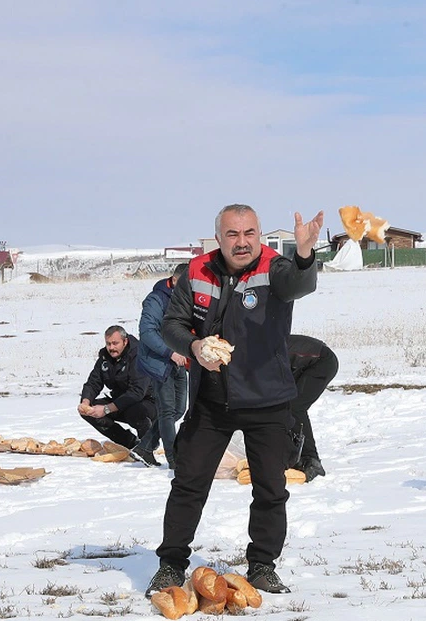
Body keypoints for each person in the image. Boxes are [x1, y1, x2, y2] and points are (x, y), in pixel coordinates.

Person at [146, 203, 324, 596]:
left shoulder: (275, 267)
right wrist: (194, 346)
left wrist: (306, 254)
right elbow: (172, 324)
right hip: (212, 400)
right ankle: (171, 565)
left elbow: (300, 285)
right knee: (189, 483)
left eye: (249, 234)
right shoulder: (197, 271)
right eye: (232, 234)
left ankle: (262, 565)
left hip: (268, 397)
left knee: (270, 489)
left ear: (258, 235)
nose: (241, 243)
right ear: (219, 237)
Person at [78, 326, 160, 466]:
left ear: (125, 341)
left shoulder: (139, 356)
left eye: (115, 343)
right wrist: (85, 402)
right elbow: (93, 382)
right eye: (108, 343)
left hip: (147, 402)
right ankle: (130, 443)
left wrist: (106, 409)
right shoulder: (105, 358)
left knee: (134, 411)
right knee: (90, 412)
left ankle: (147, 447)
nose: (111, 347)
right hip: (119, 401)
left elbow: (137, 392)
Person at [137, 264, 189, 470]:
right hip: (160, 360)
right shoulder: (156, 300)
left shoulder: (183, 298)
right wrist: (171, 352)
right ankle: (174, 459)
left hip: (179, 359)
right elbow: (147, 332)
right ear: (175, 281)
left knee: (179, 409)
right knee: (167, 411)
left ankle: (145, 446)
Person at [287, 334, 339, 481]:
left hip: (323, 362)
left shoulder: (265, 351)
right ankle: (293, 454)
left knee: (295, 407)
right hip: (305, 363)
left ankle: (312, 460)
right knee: (285, 407)